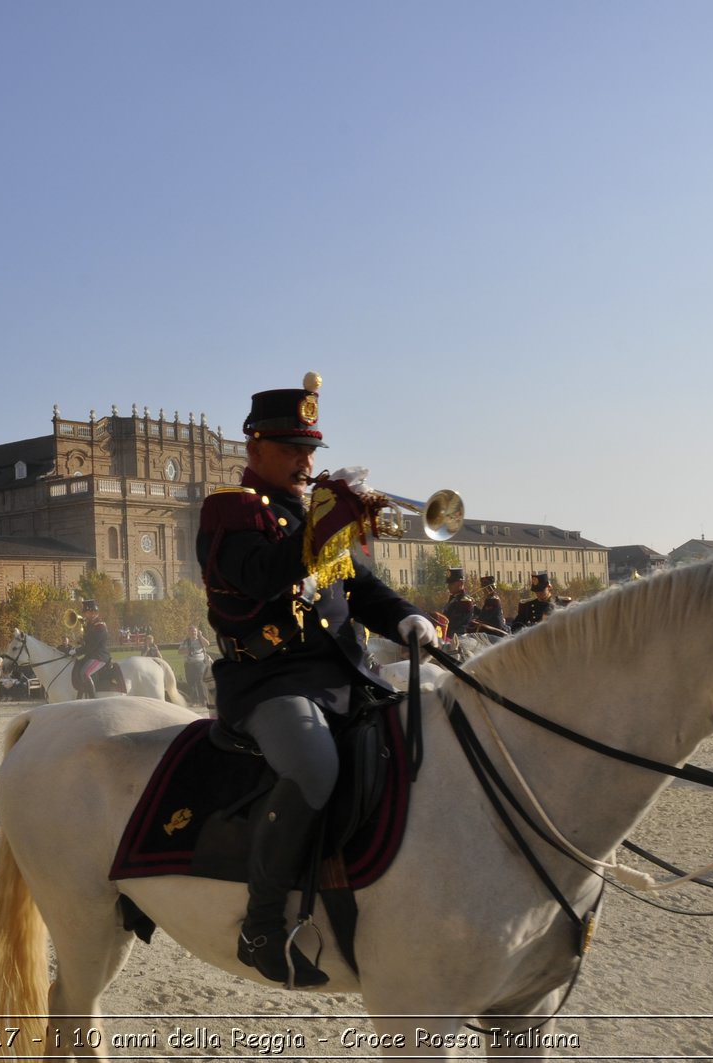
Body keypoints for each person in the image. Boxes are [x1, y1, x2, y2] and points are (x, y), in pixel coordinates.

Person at [197, 371, 437, 988]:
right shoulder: (230, 511)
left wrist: (406, 616)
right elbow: (260, 577)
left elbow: (359, 585)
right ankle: (262, 922)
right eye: (291, 450)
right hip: (267, 679)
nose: (304, 462)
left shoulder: (309, 514)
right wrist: (323, 524)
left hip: (342, 671)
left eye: (310, 451)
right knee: (312, 768)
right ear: (253, 448)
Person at [72, 600, 113, 698]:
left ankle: (93, 699)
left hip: (100, 657)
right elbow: (88, 642)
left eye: (86, 613)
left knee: (85, 673)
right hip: (92, 655)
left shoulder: (100, 626)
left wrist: (76, 651)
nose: (84, 615)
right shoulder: (91, 625)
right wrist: (80, 642)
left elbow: (91, 646)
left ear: (92, 612)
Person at [178, 624, 212, 706]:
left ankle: (203, 700)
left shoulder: (200, 640)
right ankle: (194, 701)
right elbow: (179, 652)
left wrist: (201, 636)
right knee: (191, 682)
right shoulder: (186, 641)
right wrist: (187, 650)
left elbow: (207, 644)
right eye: (191, 631)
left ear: (197, 632)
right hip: (189, 664)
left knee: (200, 681)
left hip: (199, 664)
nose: (193, 633)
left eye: (195, 631)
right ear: (189, 632)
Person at [441, 568, 475, 637]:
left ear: (461, 583)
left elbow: (455, 623)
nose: (449, 586)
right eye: (448, 584)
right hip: (449, 634)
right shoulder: (454, 598)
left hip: (459, 637)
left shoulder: (465, 602)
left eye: (452, 583)